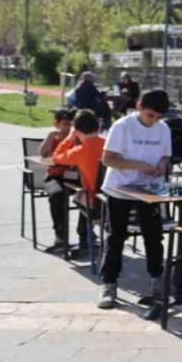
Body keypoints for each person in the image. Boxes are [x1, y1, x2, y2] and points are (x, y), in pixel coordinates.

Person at [98, 89, 172, 309]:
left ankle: (156, 281)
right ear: (139, 107)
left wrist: (161, 166)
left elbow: (166, 155)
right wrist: (140, 165)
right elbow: (108, 159)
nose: (154, 121)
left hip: (148, 190)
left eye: (159, 117)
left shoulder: (163, 129)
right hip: (120, 188)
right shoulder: (122, 126)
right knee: (116, 237)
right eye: (151, 115)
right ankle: (109, 283)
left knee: (153, 235)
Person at [51, 108, 105, 258]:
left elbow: (56, 157)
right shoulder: (109, 145)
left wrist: (69, 138)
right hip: (112, 200)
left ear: (77, 130)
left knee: (81, 195)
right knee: (86, 194)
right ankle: (86, 235)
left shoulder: (79, 151)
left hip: (94, 204)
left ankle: (84, 236)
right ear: (97, 127)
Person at [40, 108, 75, 252]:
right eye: (66, 124)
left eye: (72, 125)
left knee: (92, 192)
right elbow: (43, 156)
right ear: (57, 124)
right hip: (55, 177)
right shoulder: (54, 138)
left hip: (75, 177)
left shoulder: (77, 137)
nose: (69, 128)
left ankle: (86, 234)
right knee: (56, 195)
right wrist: (50, 136)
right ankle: (60, 234)